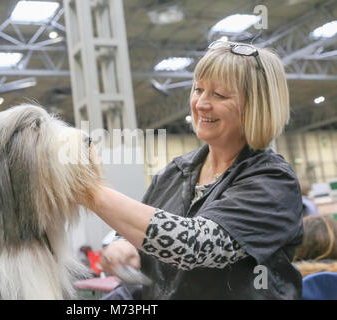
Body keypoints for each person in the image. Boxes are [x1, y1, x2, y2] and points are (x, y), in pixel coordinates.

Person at [80, 41, 304, 299]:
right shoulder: (175, 173)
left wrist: (91, 190)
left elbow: (194, 245)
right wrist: (123, 244)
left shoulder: (272, 182)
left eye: (219, 95)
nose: (201, 104)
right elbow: (138, 234)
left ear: (256, 106)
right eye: (198, 90)